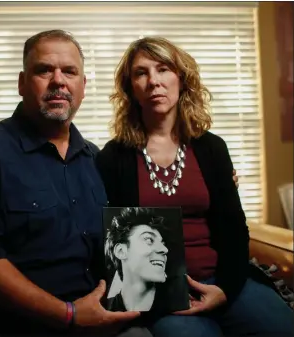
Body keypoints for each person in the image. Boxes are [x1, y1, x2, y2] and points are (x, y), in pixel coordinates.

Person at [0, 30, 151, 337]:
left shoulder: (97, 159)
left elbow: (128, 241)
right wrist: (69, 315)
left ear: (83, 87)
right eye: (44, 70)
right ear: (22, 83)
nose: (58, 80)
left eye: (70, 72)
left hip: (94, 317)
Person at [95, 36, 294, 337]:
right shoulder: (114, 156)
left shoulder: (211, 148)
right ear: (130, 89)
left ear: (181, 79)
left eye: (163, 69)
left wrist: (224, 289)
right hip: (159, 289)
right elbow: (114, 243)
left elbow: (234, 229)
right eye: (141, 73)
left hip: (223, 279)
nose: (153, 81)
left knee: (282, 327)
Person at [105, 207, 169, 312]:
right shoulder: (106, 309)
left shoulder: (176, 302)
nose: (164, 249)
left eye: (163, 243)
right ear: (121, 251)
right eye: (149, 240)